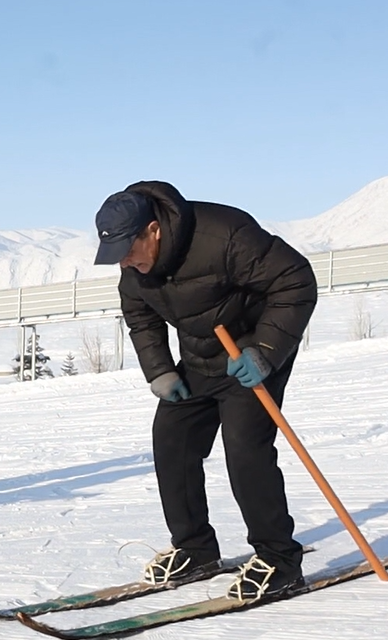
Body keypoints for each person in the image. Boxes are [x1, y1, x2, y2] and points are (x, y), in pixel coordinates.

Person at [93, 181, 317, 602]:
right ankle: (195, 549)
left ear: (153, 230)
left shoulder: (225, 235)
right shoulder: (135, 265)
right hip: (199, 359)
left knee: (245, 449)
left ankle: (280, 560)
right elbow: (140, 315)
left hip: (252, 351)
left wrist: (265, 351)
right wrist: (160, 370)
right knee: (171, 439)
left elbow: (296, 281)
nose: (124, 261)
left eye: (128, 249)